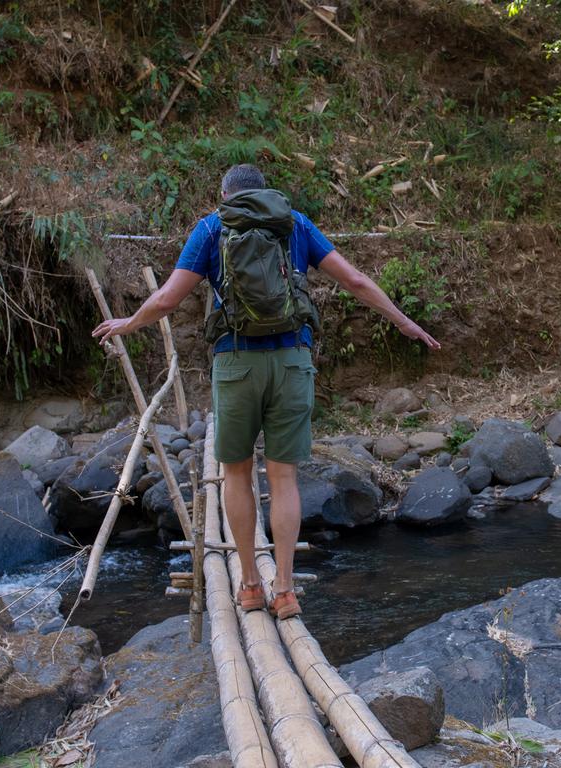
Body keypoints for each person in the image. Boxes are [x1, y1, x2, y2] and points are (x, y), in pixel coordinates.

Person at [93, 163, 439, 619]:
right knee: (283, 478)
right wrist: (403, 320)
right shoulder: (295, 224)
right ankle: (287, 589)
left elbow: (168, 299)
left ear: (225, 192)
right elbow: (353, 280)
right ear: (265, 192)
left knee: (235, 473)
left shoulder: (212, 226)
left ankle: (251, 587)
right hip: (292, 360)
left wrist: (128, 323)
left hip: (235, 361)